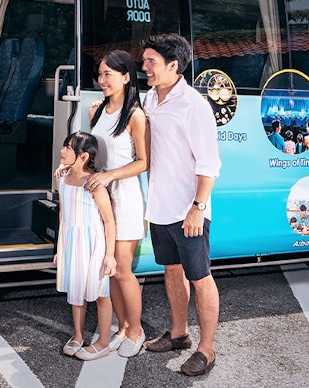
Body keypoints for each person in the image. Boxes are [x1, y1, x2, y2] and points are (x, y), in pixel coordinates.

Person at [140, 33, 222, 377]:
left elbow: (209, 163)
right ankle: (178, 334)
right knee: (171, 271)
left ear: (174, 66)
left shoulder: (193, 104)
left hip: (188, 210)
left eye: (151, 62)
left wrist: (198, 207)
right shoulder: (149, 99)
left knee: (200, 277)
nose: (144, 67)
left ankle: (207, 350)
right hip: (159, 206)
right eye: (144, 60)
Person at [83, 49, 150, 357]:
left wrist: (111, 176)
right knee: (108, 269)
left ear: (126, 77)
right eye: (99, 74)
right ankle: (122, 327)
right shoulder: (96, 110)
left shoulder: (136, 116)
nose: (101, 80)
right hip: (100, 199)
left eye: (108, 74)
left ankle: (136, 331)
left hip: (125, 198)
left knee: (122, 268)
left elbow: (143, 162)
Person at [55, 132, 118, 361]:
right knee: (75, 291)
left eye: (68, 148)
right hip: (71, 240)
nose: (63, 151)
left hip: (93, 243)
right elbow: (63, 210)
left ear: (82, 157)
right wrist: (59, 246)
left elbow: (108, 220)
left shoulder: (93, 184)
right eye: (64, 146)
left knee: (101, 293)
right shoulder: (61, 177)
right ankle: (78, 335)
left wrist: (109, 255)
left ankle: (102, 342)